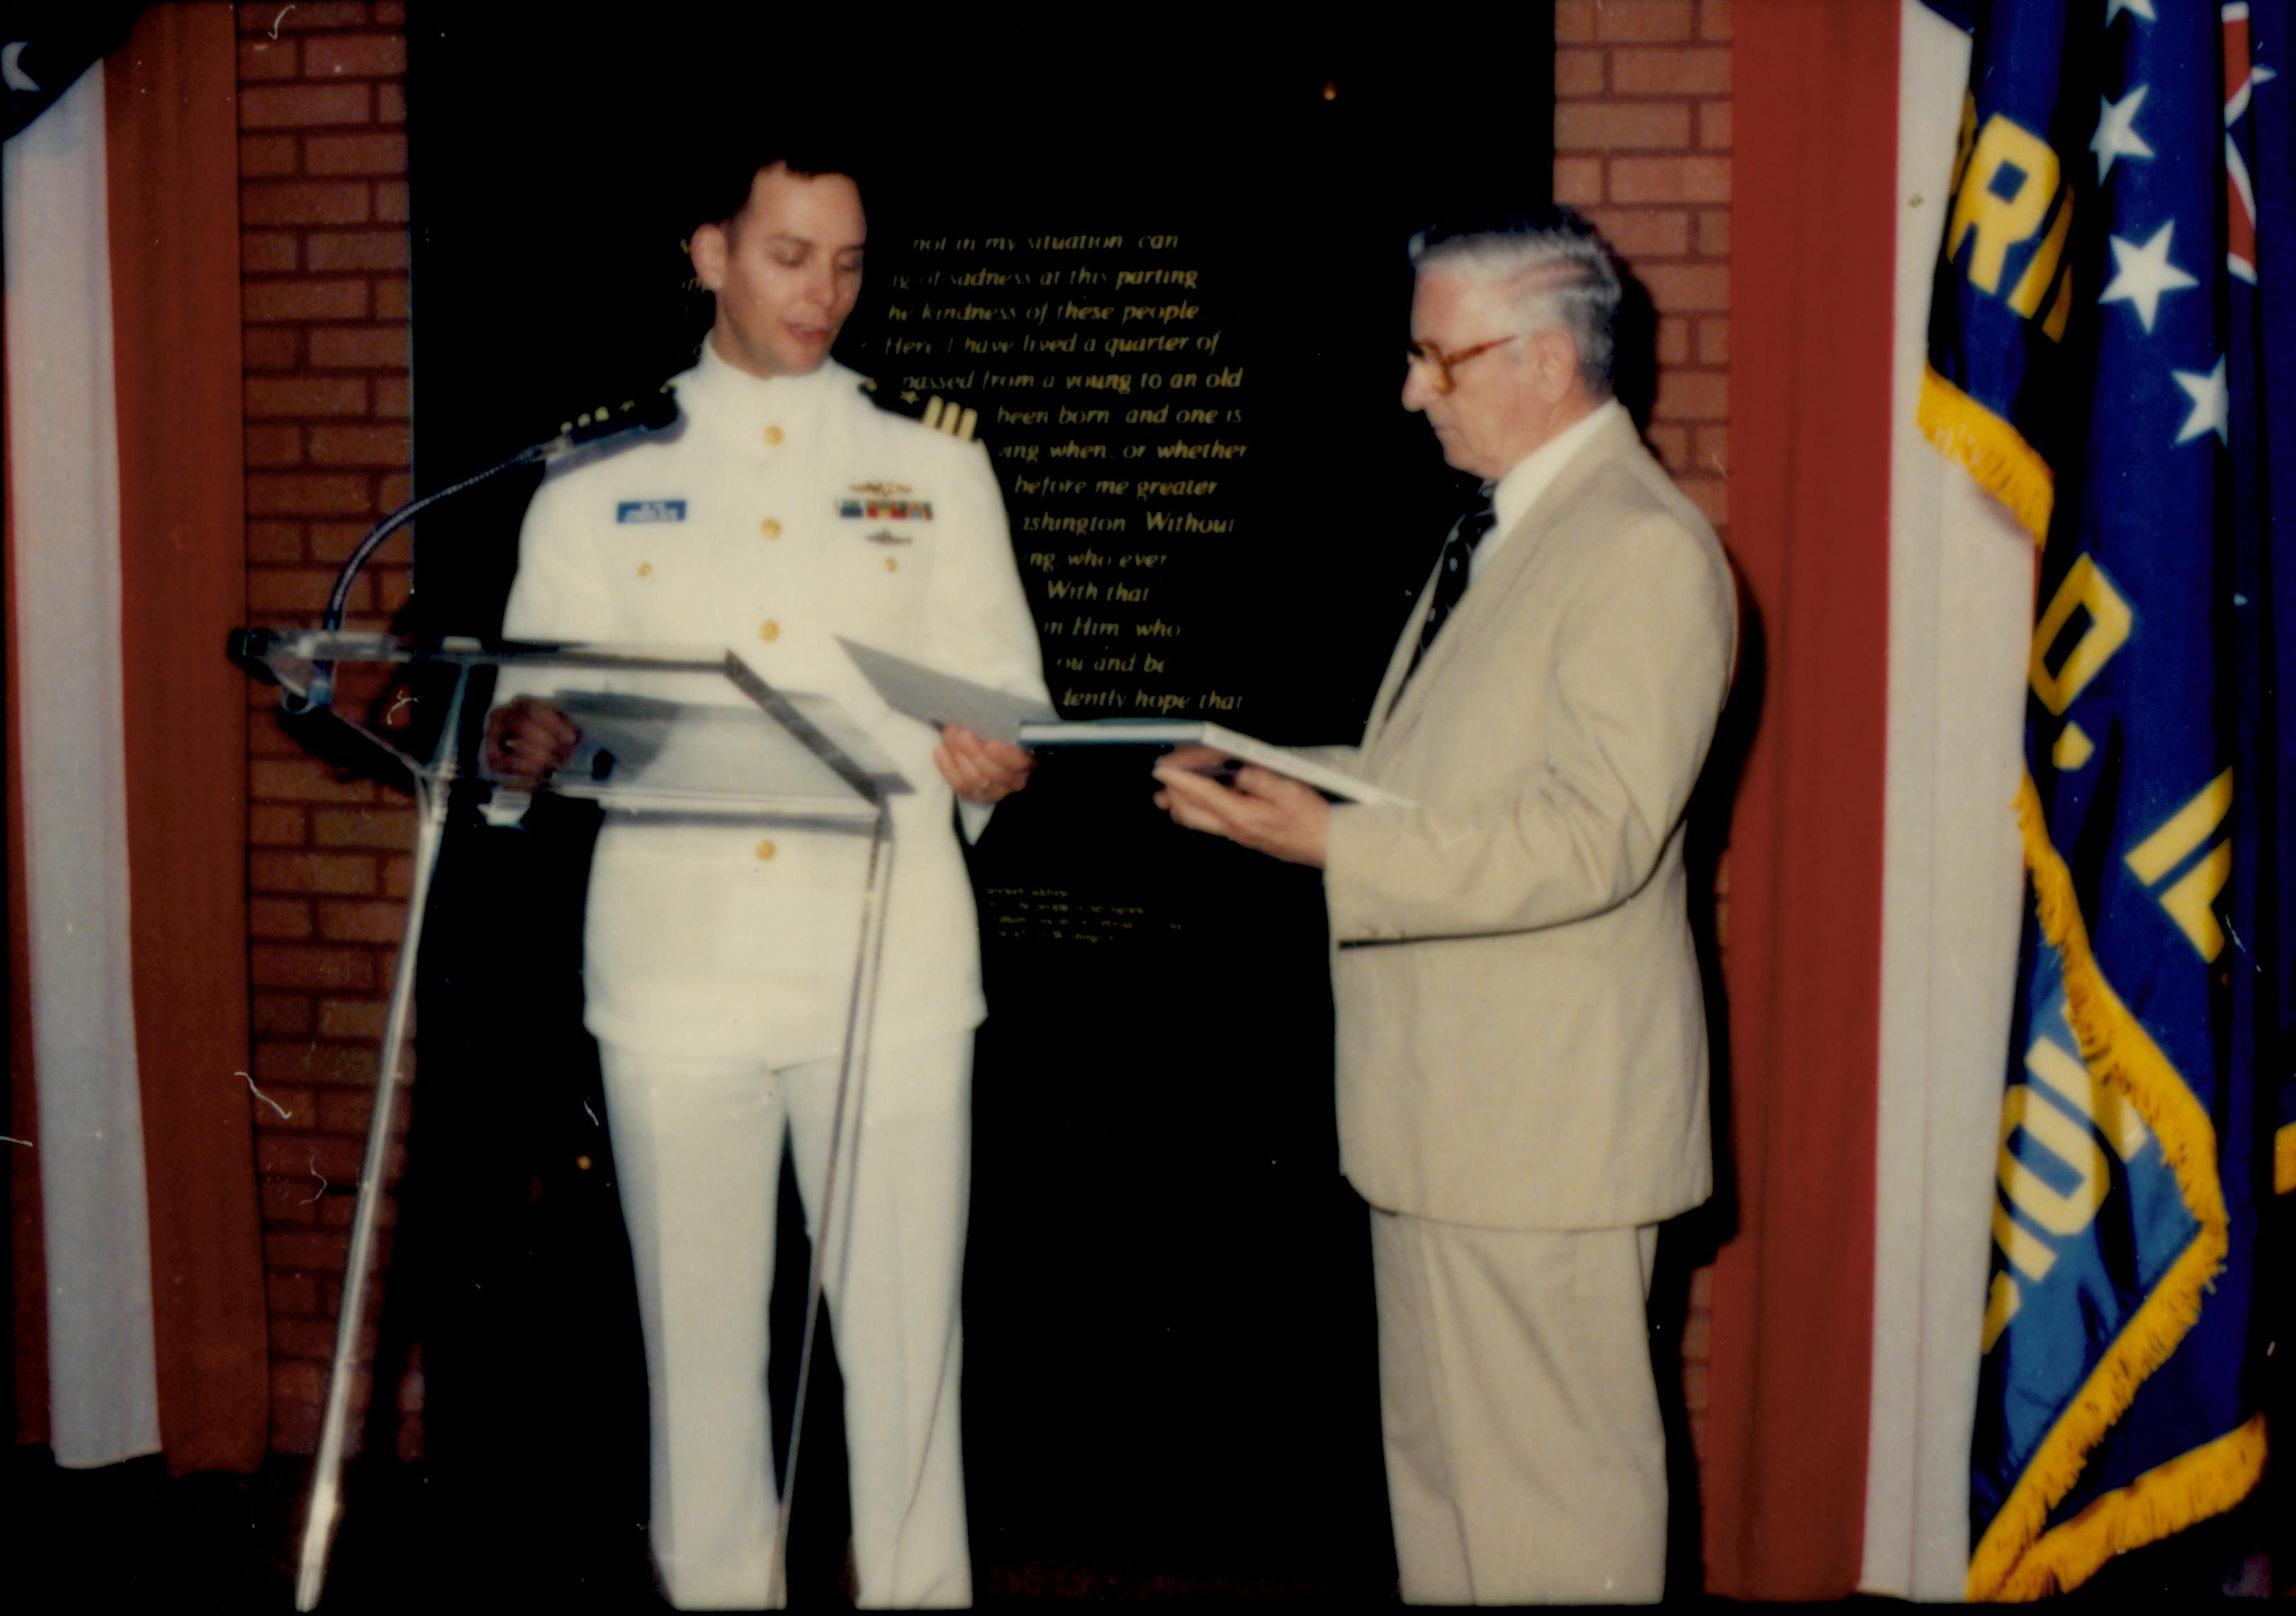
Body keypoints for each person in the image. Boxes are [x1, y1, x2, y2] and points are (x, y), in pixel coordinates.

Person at [483, 150, 1045, 1609]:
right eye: (793, 255)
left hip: (891, 960)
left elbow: (1006, 691)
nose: (827, 293)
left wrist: (993, 757)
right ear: (710, 252)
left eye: (850, 260)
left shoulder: (934, 460)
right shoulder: (603, 470)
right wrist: (524, 746)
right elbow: (532, 715)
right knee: (701, 1357)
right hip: (678, 967)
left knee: (910, 1355)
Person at [1152, 208, 1736, 1603]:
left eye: (1436, 358)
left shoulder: (1639, 549)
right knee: (1459, 1527)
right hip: (1452, 1130)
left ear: (1541, 363)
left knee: (1556, 1539)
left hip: (1541, 1144)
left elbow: (1589, 835)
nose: (1410, 389)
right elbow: (1451, 783)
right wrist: (1282, 783)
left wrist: (1337, 852)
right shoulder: (1518, 526)